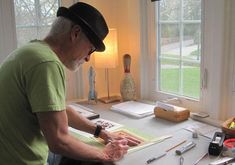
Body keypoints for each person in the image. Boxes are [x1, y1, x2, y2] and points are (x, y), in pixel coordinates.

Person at [0, 2, 140, 165]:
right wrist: (105, 155)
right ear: (75, 33)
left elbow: (60, 111)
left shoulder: (32, 52)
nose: (88, 58)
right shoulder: (46, 63)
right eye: (91, 49)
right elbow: (58, 141)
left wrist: (102, 132)